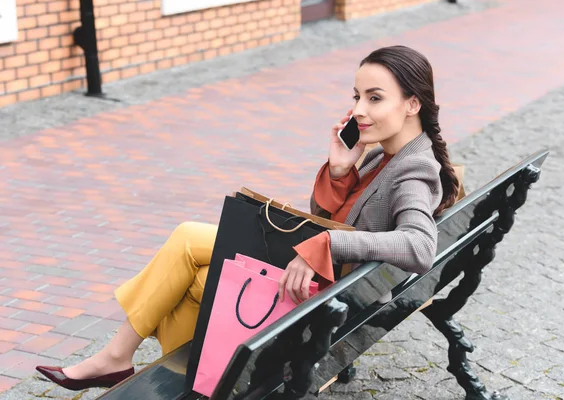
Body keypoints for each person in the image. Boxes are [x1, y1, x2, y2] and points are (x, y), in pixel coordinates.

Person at [36, 45, 458, 391]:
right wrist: (340, 170)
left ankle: (120, 359)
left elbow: (420, 246)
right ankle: (194, 379)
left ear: (412, 103)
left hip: (335, 295)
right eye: (357, 96)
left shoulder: (413, 168)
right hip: (328, 281)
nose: (359, 109)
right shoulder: (383, 155)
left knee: (187, 241)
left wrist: (327, 245)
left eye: (375, 98)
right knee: (199, 281)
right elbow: (326, 216)